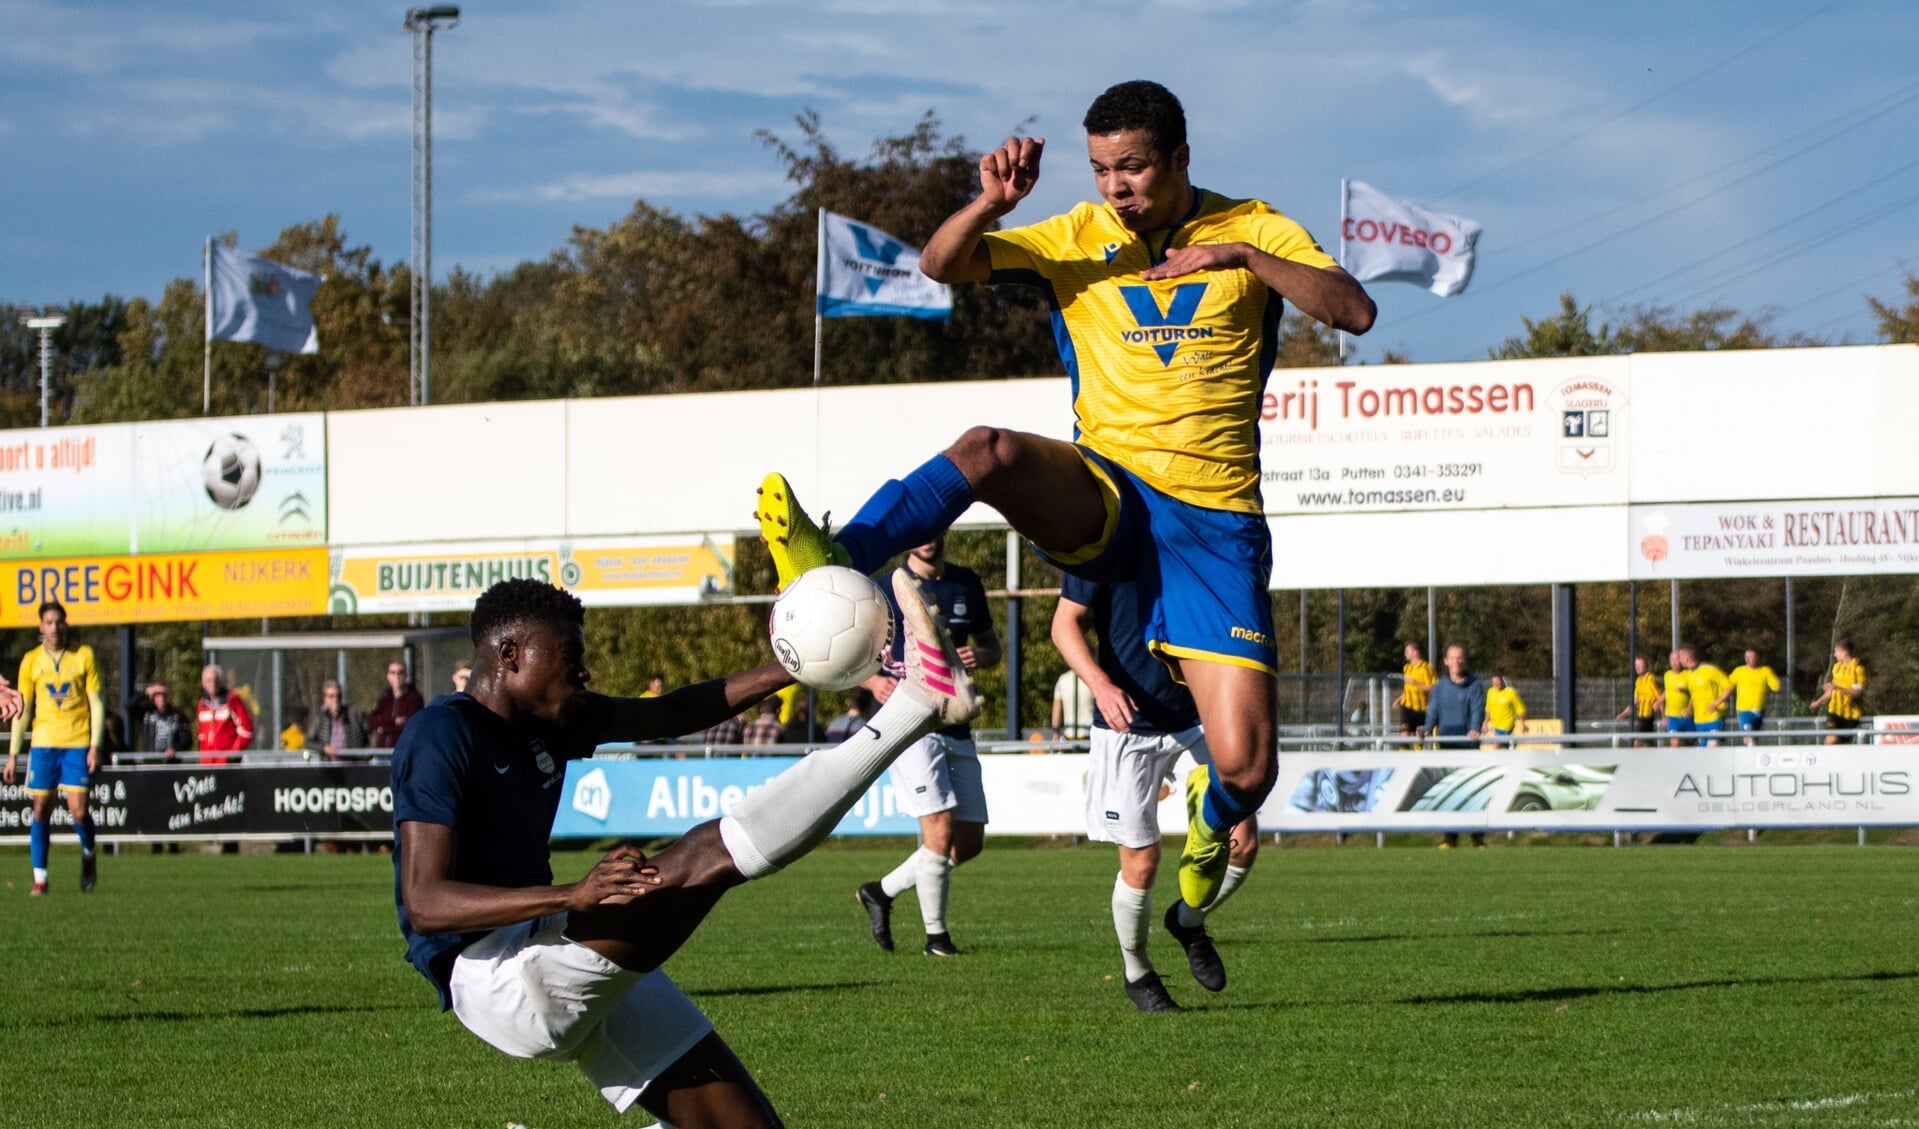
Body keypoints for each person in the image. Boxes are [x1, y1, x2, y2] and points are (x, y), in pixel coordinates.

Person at [755, 80, 1374, 913]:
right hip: (1109, 493)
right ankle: (840, 553)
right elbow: (939, 264)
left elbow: (1354, 310)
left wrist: (1243, 259)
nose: (1116, 186)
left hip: (1213, 523)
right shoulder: (1076, 235)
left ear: (1181, 158)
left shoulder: (1253, 225)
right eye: (1100, 169)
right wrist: (989, 203)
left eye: (1134, 167)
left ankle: (1209, 812)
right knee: (988, 450)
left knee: (1246, 769)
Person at [392, 574, 975, 1126]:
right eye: (570, 657)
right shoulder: (442, 731)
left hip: (546, 939)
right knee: (701, 858)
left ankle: (920, 701)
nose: (585, 670)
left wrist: (801, 660)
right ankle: (918, 706)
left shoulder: (552, 718)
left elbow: (675, 710)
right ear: (511, 654)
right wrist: (574, 892)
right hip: (491, 976)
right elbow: (426, 903)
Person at [1053, 575, 1256, 1013]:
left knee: (1243, 843)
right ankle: (1137, 972)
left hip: (1197, 719)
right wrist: (1100, 685)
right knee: (1142, 863)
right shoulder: (1106, 537)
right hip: (1126, 728)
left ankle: (1188, 921)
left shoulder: (1189, 535)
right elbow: (1064, 624)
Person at [852, 537, 1002, 958]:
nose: (928, 538)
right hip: (909, 719)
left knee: (968, 843)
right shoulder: (886, 587)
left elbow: (993, 647)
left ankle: (879, 892)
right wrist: (871, 680)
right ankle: (937, 939)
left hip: (955, 720)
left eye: (935, 529)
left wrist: (982, 654)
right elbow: (846, 648)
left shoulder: (966, 583)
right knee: (938, 828)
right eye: (919, 531)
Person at [3, 601, 103, 895]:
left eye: (59, 621)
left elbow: (96, 702)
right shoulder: (31, 661)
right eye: (48, 622)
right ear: (40, 627)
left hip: (76, 741)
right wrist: (13, 754)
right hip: (44, 743)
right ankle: (40, 878)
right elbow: (21, 707)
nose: (54, 627)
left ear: (66, 624)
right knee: (40, 809)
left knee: (79, 811)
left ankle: (88, 853)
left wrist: (95, 745)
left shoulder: (82, 657)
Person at [1425, 645, 1485, 849]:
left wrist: (1475, 729)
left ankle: (1477, 837)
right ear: (1446, 661)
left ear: (1464, 661)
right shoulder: (1439, 687)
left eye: (1460, 658)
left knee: (1472, 791)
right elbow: (1432, 711)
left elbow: (1477, 710)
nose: (1457, 661)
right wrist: (1426, 729)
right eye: (1453, 658)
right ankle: (1450, 836)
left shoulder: (1474, 685)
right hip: (1446, 747)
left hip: (1468, 747)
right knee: (1449, 793)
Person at [1720, 648, 1781, 745]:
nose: (1747, 659)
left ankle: (1751, 755)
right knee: (1748, 734)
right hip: (1744, 710)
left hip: (1759, 711)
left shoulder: (1765, 671)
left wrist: (1777, 686)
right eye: (1746, 657)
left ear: (1757, 658)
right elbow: (1727, 685)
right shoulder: (1739, 671)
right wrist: (1720, 699)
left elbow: (1775, 685)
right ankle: (1749, 751)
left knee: (1754, 737)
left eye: (1750, 657)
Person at [1810, 638, 1866, 744]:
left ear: (1845, 652)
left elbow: (1857, 692)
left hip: (1851, 713)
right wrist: (1818, 702)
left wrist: (1838, 688)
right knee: (1831, 739)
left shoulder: (1858, 669)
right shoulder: (1837, 668)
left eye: (1836, 652)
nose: (1835, 655)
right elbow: (1832, 690)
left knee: (1842, 744)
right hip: (1835, 711)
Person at [195, 665, 254, 764]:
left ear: (221, 681)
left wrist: (233, 753)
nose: (212, 683)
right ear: (203, 683)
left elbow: (247, 731)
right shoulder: (202, 704)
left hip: (227, 764)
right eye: (208, 680)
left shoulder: (232, 700)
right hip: (207, 763)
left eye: (216, 680)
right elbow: (202, 735)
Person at [370, 658, 427, 749]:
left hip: (402, 750)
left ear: (405, 675)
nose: (397, 676)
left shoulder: (414, 698)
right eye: (393, 672)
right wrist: (392, 721)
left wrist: (384, 728)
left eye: (400, 672)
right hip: (382, 750)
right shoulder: (385, 698)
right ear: (388, 676)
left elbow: (410, 724)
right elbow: (372, 720)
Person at [307, 680, 371, 758]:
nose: (335, 699)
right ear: (325, 699)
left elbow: (371, 734)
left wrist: (366, 756)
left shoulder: (355, 715)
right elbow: (309, 741)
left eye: (338, 696)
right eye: (331, 696)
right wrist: (324, 748)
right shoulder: (320, 718)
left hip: (354, 765)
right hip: (329, 766)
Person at [1681, 646, 1730, 748]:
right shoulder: (1689, 674)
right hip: (1699, 720)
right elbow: (1694, 695)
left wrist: (1716, 703)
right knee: (1704, 754)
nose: (1679, 660)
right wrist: (1689, 708)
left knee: (1713, 747)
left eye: (1680, 657)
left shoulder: (1709, 670)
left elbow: (1729, 687)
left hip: (1714, 717)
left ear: (1686, 658)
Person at [129, 682, 193, 757]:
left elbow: (187, 739)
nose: (161, 699)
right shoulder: (147, 714)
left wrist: (175, 748)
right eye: (158, 695)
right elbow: (130, 706)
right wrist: (146, 691)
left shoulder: (178, 715)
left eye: (164, 695)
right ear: (153, 697)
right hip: (151, 761)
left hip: (171, 761)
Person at [1614, 656, 1660, 747]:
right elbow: (1635, 702)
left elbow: (1659, 697)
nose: (1637, 667)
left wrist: (1663, 716)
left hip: (1647, 717)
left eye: (1640, 665)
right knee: (1649, 742)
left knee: (1636, 741)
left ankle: (1634, 759)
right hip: (1641, 717)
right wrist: (1623, 714)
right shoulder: (1638, 681)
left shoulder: (1650, 679)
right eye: (1636, 665)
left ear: (1646, 666)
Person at [1399, 642, 1436, 741]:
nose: (1405, 654)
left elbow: (1432, 688)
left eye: (1407, 651)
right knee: (1404, 732)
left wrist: (1416, 683)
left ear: (1415, 652)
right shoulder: (1407, 667)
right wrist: (1399, 699)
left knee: (1419, 739)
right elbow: (1408, 688)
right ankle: (1403, 753)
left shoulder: (1426, 668)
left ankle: (1418, 753)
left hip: (1421, 708)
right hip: (1407, 706)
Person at [1051, 667, 1097, 741]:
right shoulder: (1093, 679)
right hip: (1090, 735)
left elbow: (1056, 716)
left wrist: (1056, 733)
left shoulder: (1062, 679)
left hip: (1069, 735)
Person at [1660, 650, 1693, 748]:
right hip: (1672, 716)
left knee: (1689, 744)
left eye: (1677, 659)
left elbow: (1695, 694)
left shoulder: (1688, 674)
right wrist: (1663, 717)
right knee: (1675, 742)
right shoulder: (1667, 675)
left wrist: (1689, 708)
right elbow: (1666, 693)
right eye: (1672, 660)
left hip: (1687, 716)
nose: (1674, 662)